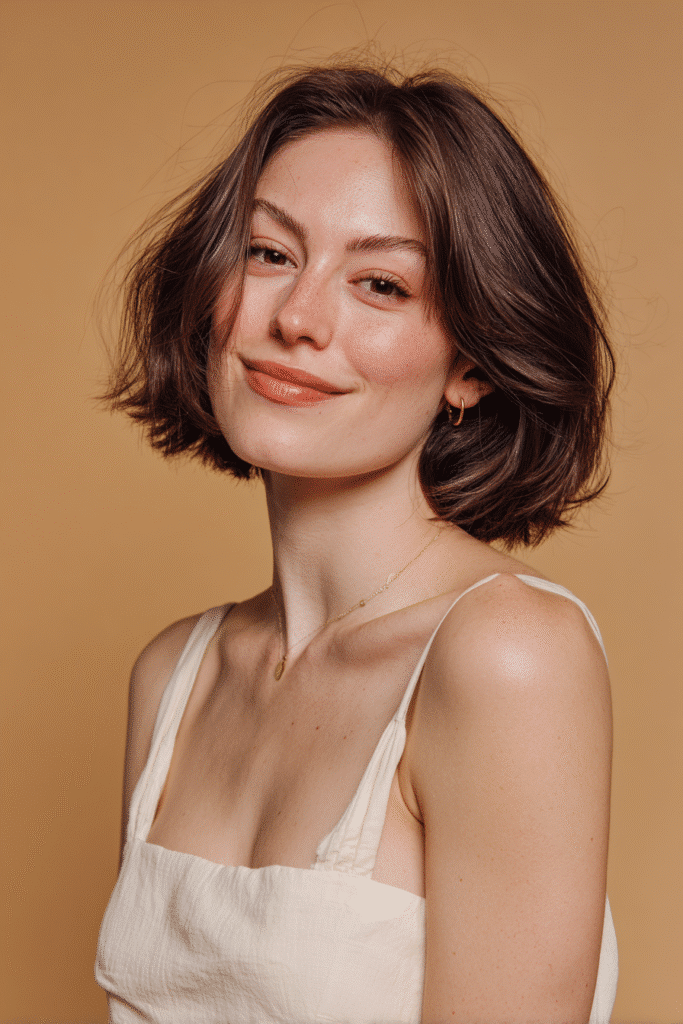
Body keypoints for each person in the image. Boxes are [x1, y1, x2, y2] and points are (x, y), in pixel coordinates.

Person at [95, 58, 618, 1023]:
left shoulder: (506, 655)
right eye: (267, 253)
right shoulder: (175, 673)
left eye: (380, 283)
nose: (296, 318)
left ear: (470, 362)